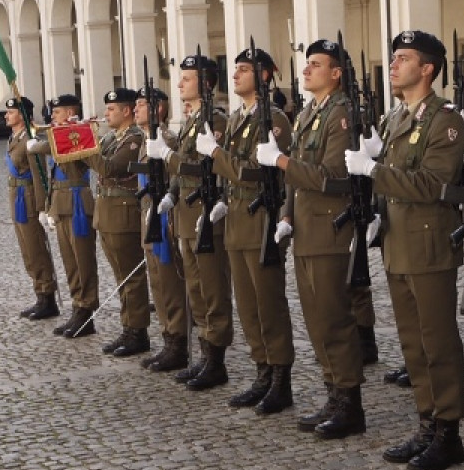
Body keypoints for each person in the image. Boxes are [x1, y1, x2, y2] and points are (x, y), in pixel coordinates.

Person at [346, 30, 464, 470]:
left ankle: (449, 430)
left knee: (438, 341)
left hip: (430, 244)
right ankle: (426, 420)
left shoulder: (445, 120)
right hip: (398, 241)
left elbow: (433, 184)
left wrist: (374, 170)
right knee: (413, 344)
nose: (393, 65)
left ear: (428, 68)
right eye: (393, 57)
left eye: (403, 58)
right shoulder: (398, 118)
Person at [255, 38, 366, 439]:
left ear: (336, 74)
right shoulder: (307, 115)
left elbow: (333, 178)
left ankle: (349, 402)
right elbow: (297, 179)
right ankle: (333, 393)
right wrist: (286, 213)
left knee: (334, 319)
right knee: (317, 322)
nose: (306, 70)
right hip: (305, 229)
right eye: (306, 64)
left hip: (330, 230)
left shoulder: (342, 114)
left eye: (315, 65)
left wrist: (281, 161)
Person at [195, 46, 296, 415]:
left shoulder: (275, 120)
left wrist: (216, 155)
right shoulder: (239, 117)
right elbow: (234, 175)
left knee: (268, 303)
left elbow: (251, 170)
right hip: (237, 218)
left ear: (265, 76)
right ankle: (262, 372)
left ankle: (280, 379)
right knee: (249, 306)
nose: (235, 75)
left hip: (262, 219)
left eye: (244, 70)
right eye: (235, 69)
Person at [153, 54, 234, 390]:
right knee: (195, 289)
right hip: (185, 213)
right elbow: (184, 170)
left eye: (187, 78)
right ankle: (204, 354)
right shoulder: (191, 120)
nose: (180, 83)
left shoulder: (213, 118)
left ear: (206, 82)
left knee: (212, 289)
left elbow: (200, 167)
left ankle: (216, 361)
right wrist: (171, 193)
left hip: (204, 212)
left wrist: (167, 157)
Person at [27, 94, 100, 338]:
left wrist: (41, 139)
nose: (52, 118)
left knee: (83, 261)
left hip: (78, 204)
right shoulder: (62, 132)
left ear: (69, 113)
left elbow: (42, 147)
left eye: (56, 113)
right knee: (70, 263)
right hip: (61, 204)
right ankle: (77, 306)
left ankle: (86, 310)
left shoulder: (77, 132)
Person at [86, 88, 151, 356]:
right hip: (107, 213)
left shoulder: (133, 139)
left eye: (111, 109)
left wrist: (83, 144)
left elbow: (109, 168)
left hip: (124, 215)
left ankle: (137, 332)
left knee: (132, 277)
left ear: (126, 112)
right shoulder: (114, 137)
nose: (106, 114)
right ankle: (129, 328)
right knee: (121, 277)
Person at [135, 86, 190, 372]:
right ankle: (167, 338)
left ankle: (178, 342)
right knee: (156, 282)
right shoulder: (145, 140)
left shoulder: (165, 139)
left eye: (142, 104)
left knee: (170, 283)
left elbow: (174, 180)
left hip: (164, 218)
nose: (136, 109)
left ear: (159, 110)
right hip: (149, 216)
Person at [3, 97, 60, 320]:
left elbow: (39, 175)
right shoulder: (15, 138)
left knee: (36, 248)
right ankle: (39, 293)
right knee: (27, 250)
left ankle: (48, 297)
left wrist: (42, 207)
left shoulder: (30, 139)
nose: (7, 115)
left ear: (22, 115)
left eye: (11, 112)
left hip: (27, 199)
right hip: (16, 197)